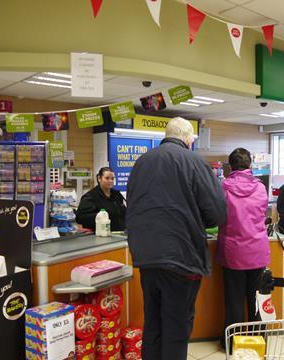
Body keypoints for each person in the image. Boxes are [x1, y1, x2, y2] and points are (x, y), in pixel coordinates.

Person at [125, 117, 227, 360]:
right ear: (189, 140)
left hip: (146, 256)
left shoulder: (142, 162)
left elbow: (132, 205)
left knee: (153, 325)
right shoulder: (193, 161)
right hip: (182, 257)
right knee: (177, 327)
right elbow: (217, 213)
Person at [216, 148, 270, 348]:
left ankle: (233, 344)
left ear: (230, 166)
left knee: (234, 301)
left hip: (234, 252)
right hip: (257, 250)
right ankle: (258, 342)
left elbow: (218, 214)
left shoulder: (224, 187)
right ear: (250, 165)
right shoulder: (260, 187)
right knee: (256, 299)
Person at [75, 167, 126, 231]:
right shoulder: (90, 197)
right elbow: (80, 218)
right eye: (107, 178)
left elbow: (124, 213)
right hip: (99, 235)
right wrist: (100, 216)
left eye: (112, 179)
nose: (110, 181)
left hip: (119, 234)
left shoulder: (117, 194)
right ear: (99, 178)